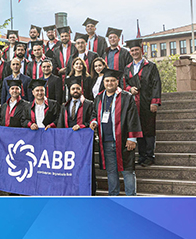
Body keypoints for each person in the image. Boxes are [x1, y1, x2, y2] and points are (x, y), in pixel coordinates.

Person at [91, 68, 142, 196]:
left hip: (123, 140)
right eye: (107, 81)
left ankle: (131, 198)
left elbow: (133, 118)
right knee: (111, 171)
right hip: (106, 140)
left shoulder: (126, 97)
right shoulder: (99, 97)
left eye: (112, 80)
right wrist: (94, 121)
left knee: (127, 170)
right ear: (104, 82)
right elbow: (94, 114)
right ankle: (113, 197)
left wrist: (132, 138)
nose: (110, 83)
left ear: (117, 82)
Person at [123, 38, 162, 167]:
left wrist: (154, 102)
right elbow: (124, 83)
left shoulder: (150, 66)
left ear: (141, 51)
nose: (134, 52)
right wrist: (129, 89)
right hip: (133, 103)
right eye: (132, 50)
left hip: (147, 101)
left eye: (136, 50)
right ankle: (141, 156)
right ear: (130, 52)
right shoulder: (127, 68)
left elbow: (156, 84)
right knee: (138, 129)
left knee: (148, 129)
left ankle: (150, 156)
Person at [58, 77, 96, 195]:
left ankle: (89, 193)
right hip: (69, 143)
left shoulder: (89, 104)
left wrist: (82, 126)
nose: (75, 90)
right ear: (69, 91)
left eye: (77, 88)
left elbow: (92, 120)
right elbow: (60, 123)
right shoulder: (64, 106)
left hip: (84, 142)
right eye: (73, 88)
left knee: (86, 168)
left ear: (81, 90)